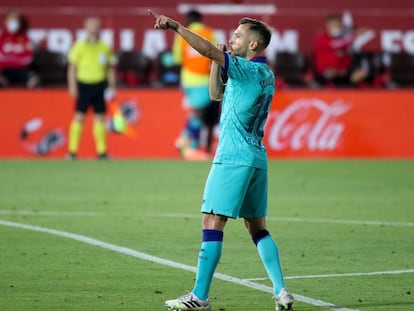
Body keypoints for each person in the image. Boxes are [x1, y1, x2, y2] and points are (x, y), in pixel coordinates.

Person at [149, 10, 294, 311]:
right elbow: (216, 94)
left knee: (212, 221)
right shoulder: (264, 73)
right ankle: (281, 291)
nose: (232, 37)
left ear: (254, 46)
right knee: (258, 228)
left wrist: (176, 26)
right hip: (256, 159)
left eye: (239, 35)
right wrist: (219, 61)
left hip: (233, 158)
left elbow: (207, 49)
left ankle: (199, 297)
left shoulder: (246, 69)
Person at [172, 10, 220, 160]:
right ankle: (185, 141)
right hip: (204, 79)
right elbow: (217, 54)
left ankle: (189, 145)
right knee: (199, 113)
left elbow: (176, 58)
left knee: (198, 113)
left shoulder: (181, 34)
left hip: (187, 79)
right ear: (201, 19)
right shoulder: (209, 33)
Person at [66, 17, 116, 160]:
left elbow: (110, 69)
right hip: (84, 84)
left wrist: (112, 87)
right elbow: (72, 68)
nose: (93, 28)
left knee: (100, 118)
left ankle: (102, 152)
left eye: (96, 26)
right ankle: (72, 151)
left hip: (99, 85)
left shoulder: (105, 47)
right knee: (79, 117)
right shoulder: (79, 46)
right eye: (91, 26)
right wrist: (72, 85)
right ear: (85, 28)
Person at [314, 13, 368, 87]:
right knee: (330, 73)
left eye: (338, 26)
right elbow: (336, 44)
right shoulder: (321, 39)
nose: (336, 28)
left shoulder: (342, 40)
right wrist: (354, 35)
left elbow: (346, 56)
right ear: (327, 26)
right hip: (325, 73)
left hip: (341, 72)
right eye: (334, 26)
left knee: (360, 73)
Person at [0, 10, 39, 88]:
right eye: (12, 19)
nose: (14, 22)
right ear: (6, 21)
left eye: (16, 20)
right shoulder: (2, 37)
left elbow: (29, 59)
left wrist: (10, 58)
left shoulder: (25, 38)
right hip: (4, 70)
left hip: (22, 70)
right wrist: (16, 58)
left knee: (35, 80)